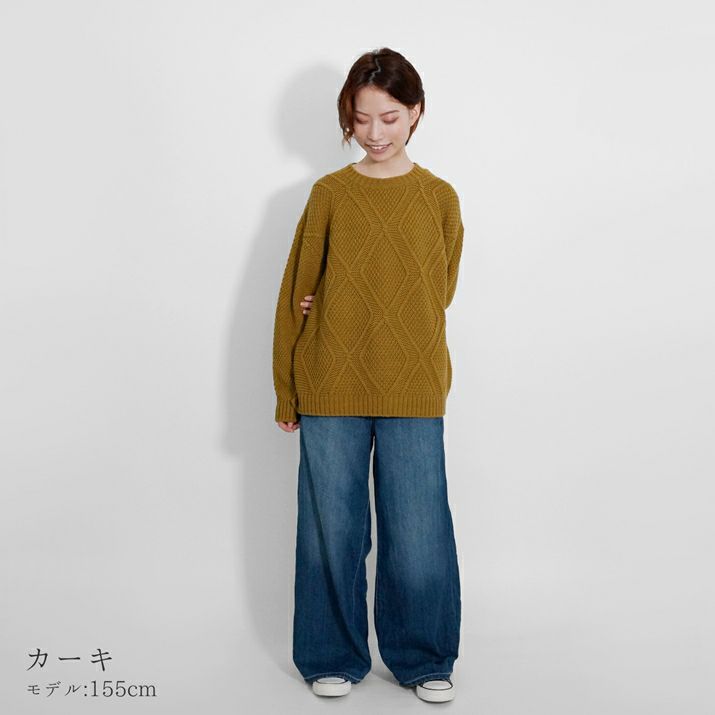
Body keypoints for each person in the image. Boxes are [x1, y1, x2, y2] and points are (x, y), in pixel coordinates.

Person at [272, 47, 464, 704]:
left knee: (418, 529)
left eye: (389, 117)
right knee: (332, 528)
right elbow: (294, 293)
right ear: (347, 119)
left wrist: (373, 300)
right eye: (360, 119)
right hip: (330, 382)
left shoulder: (439, 198)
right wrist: (287, 389)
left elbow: (438, 291)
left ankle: (423, 656)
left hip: (414, 384)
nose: (374, 133)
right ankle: (330, 654)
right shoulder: (330, 194)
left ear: (415, 112)